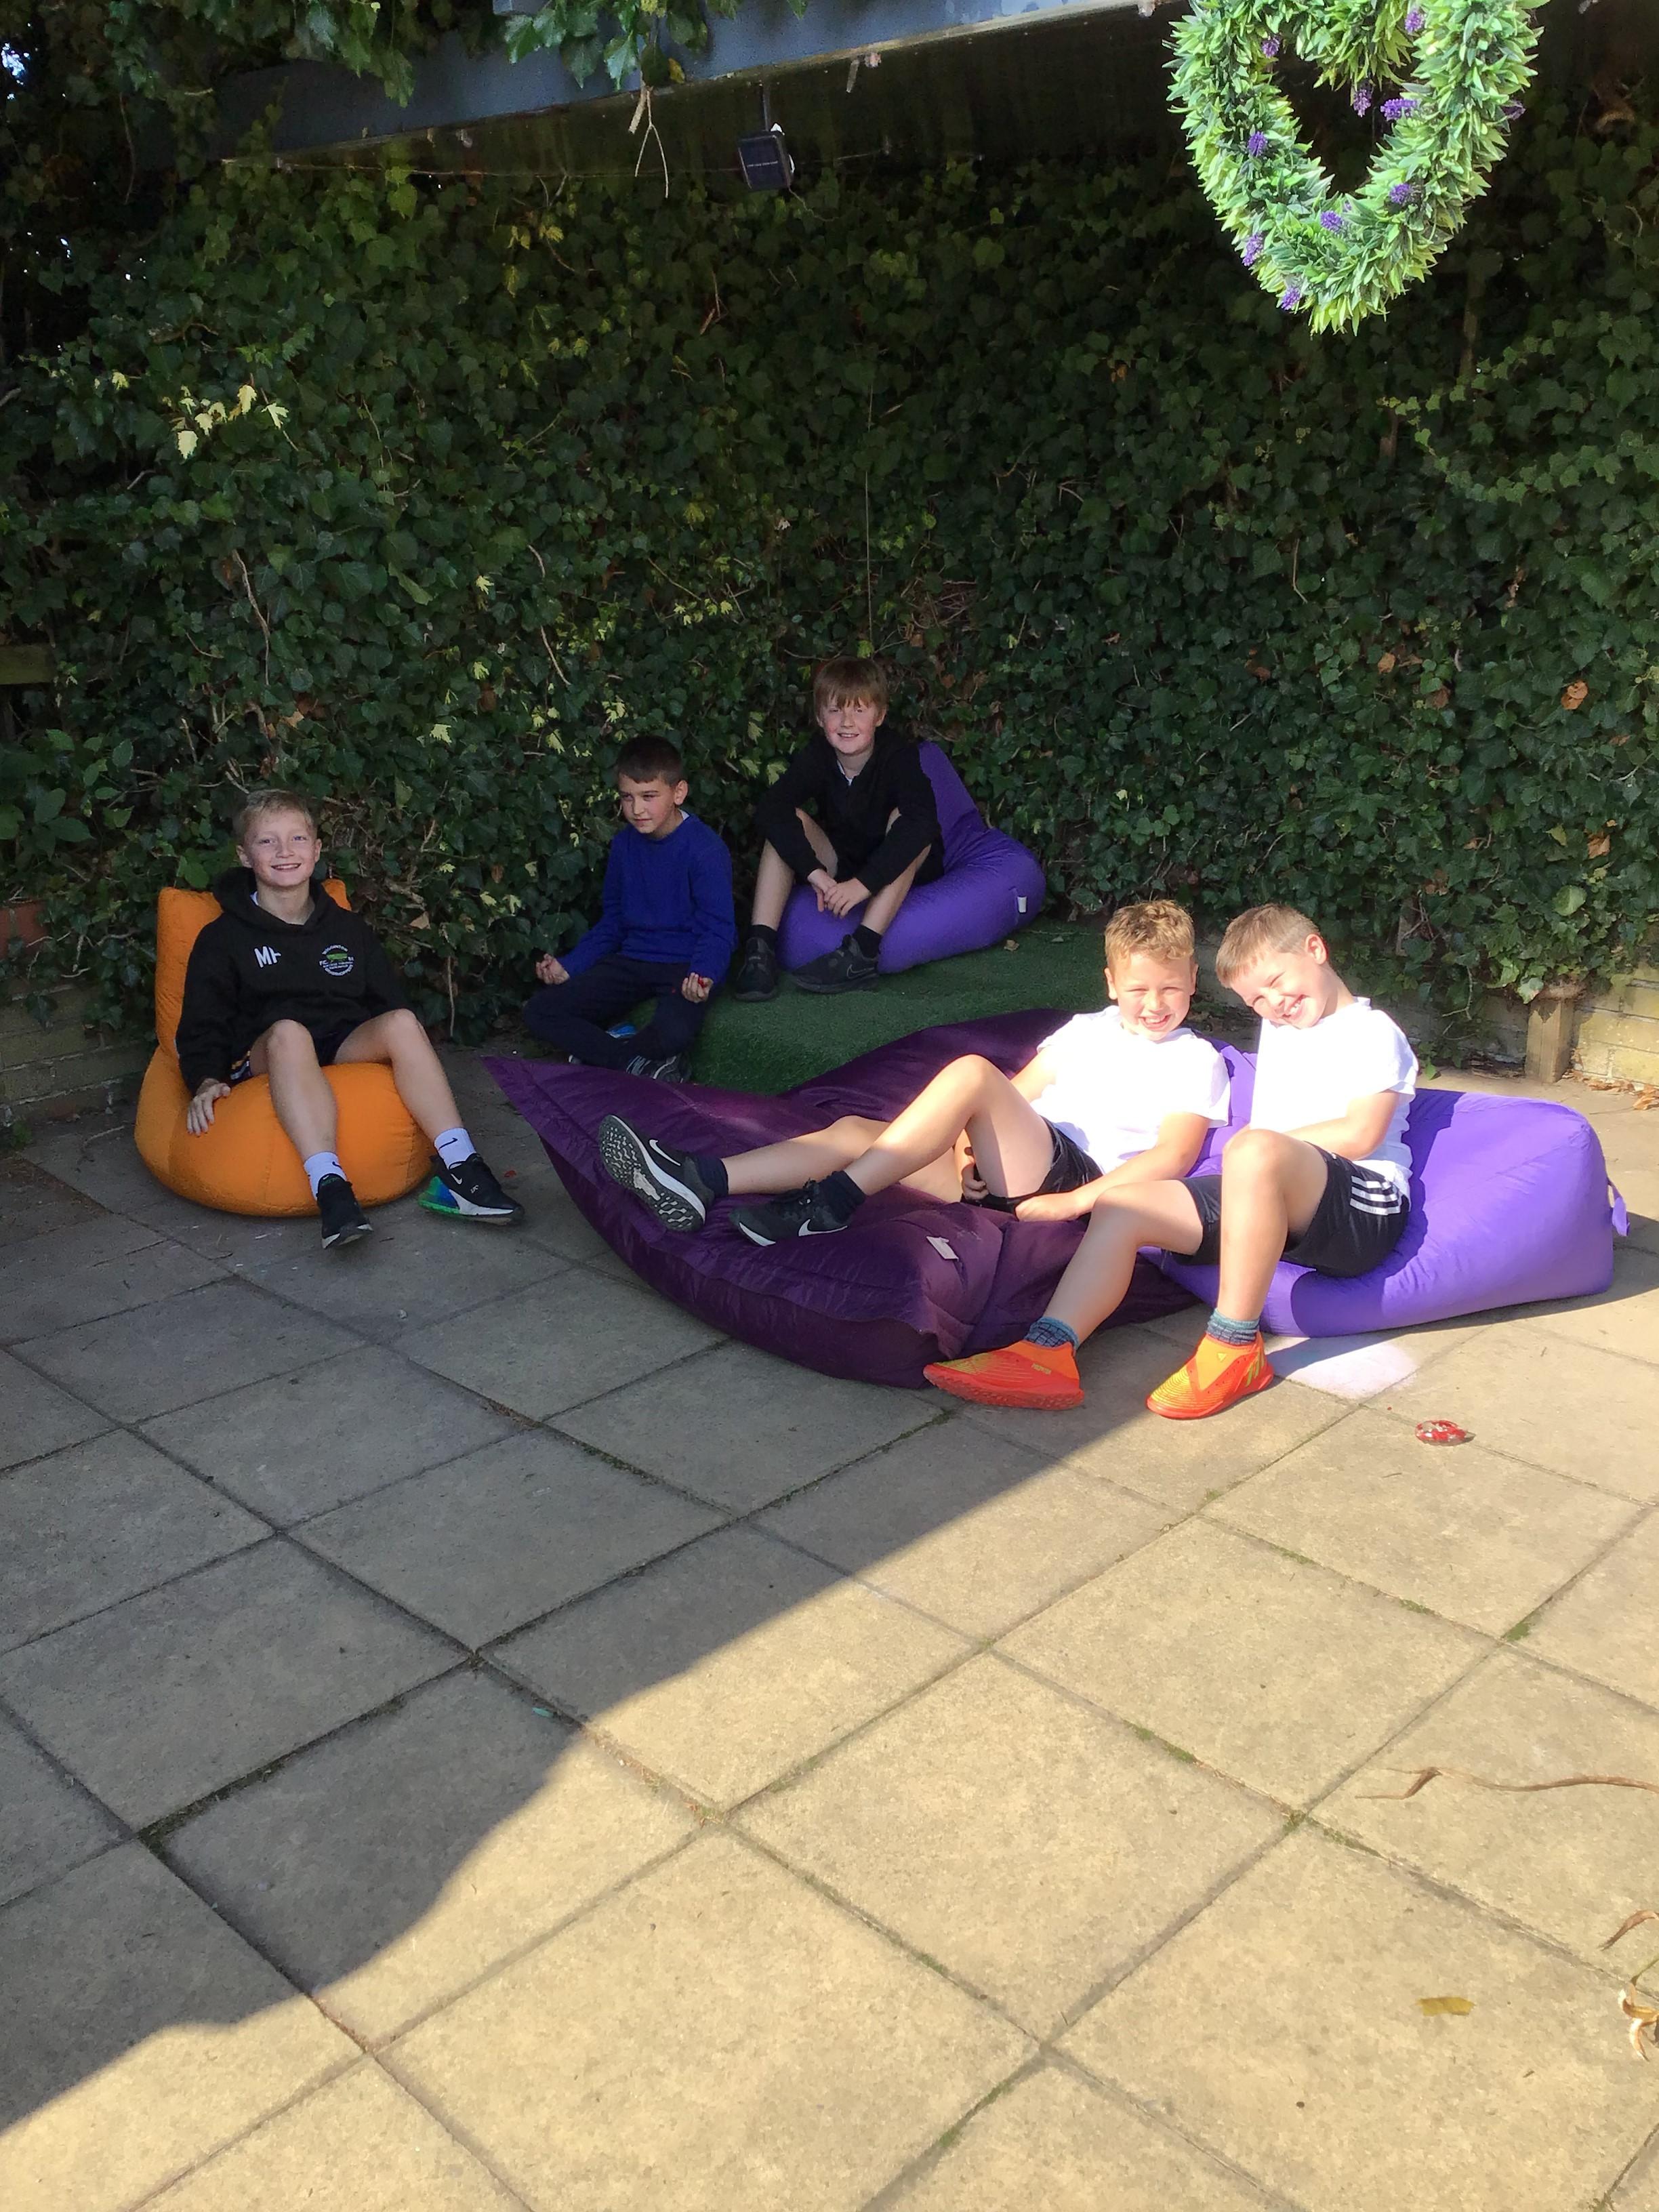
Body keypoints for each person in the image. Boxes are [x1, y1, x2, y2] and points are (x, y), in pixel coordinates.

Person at [926, 901, 1416, 1416]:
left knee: (1253, 1148)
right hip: (1275, 1192)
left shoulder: (1372, 1031)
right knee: (1122, 1204)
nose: (1274, 1004)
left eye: (1277, 982)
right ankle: (1046, 1353)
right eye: (1256, 999)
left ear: (1315, 949)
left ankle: (1234, 1348)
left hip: (1363, 1206)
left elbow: (1361, 1134)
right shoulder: (1282, 1026)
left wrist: (1255, 1152)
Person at [598, 900, 1229, 1266]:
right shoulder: (1087, 1030)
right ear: (1112, 983)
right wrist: (967, 1151)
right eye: (1139, 989)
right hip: (1013, 1163)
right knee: (857, 1132)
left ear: (1193, 984)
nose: (1155, 1004)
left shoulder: (1194, 1058)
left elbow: (1171, 1158)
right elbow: (1020, 1093)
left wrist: (1074, 1204)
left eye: (1170, 988)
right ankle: (703, 1179)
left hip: (1073, 1179)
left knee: (973, 1072)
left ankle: (831, 1204)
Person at [176, 787, 523, 1251]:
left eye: (298, 839)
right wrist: (205, 1079)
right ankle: (331, 1188)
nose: (285, 852)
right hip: (268, 1052)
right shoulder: (222, 938)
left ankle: (461, 1168)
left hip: (340, 1041)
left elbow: (387, 1002)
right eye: (267, 841)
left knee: (401, 1022)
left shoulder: (346, 928)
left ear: (317, 850)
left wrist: (395, 1043)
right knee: (289, 1032)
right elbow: (202, 1022)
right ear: (244, 855)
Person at [523, 737, 736, 1083]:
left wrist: (704, 973)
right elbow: (614, 921)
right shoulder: (624, 844)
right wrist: (569, 966)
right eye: (627, 797)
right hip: (632, 961)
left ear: (678, 792)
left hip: (685, 966)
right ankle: (632, 1063)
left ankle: (608, 1055)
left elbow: (719, 928)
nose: (637, 809)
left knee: (674, 1031)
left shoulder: (705, 849)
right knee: (540, 1011)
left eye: (649, 797)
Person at [731, 657, 942, 1000]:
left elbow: (923, 822)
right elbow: (771, 807)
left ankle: (862, 953)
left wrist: (862, 885)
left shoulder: (897, 755)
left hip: (895, 868)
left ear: (879, 716)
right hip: (843, 860)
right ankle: (760, 950)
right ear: (820, 718)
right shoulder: (819, 755)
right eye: (834, 711)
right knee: (785, 820)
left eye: (859, 710)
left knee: (908, 823)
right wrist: (813, 872)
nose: (847, 722)